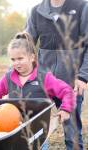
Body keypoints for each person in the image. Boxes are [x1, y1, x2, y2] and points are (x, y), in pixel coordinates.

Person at [0, 32, 76, 149]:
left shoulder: (44, 78)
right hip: (15, 131)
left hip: (39, 131)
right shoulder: (9, 78)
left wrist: (65, 109)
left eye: (20, 58)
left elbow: (67, 91)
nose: (16, 63)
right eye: (13, 59)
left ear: (32, 57)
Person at [25, 0, 88, 149]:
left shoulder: (81, 7)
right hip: (42, 80)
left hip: (71, 83)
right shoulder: (37, 11)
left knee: (72, 131)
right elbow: (25, 46)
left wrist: (83, 76)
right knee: (36, 129)